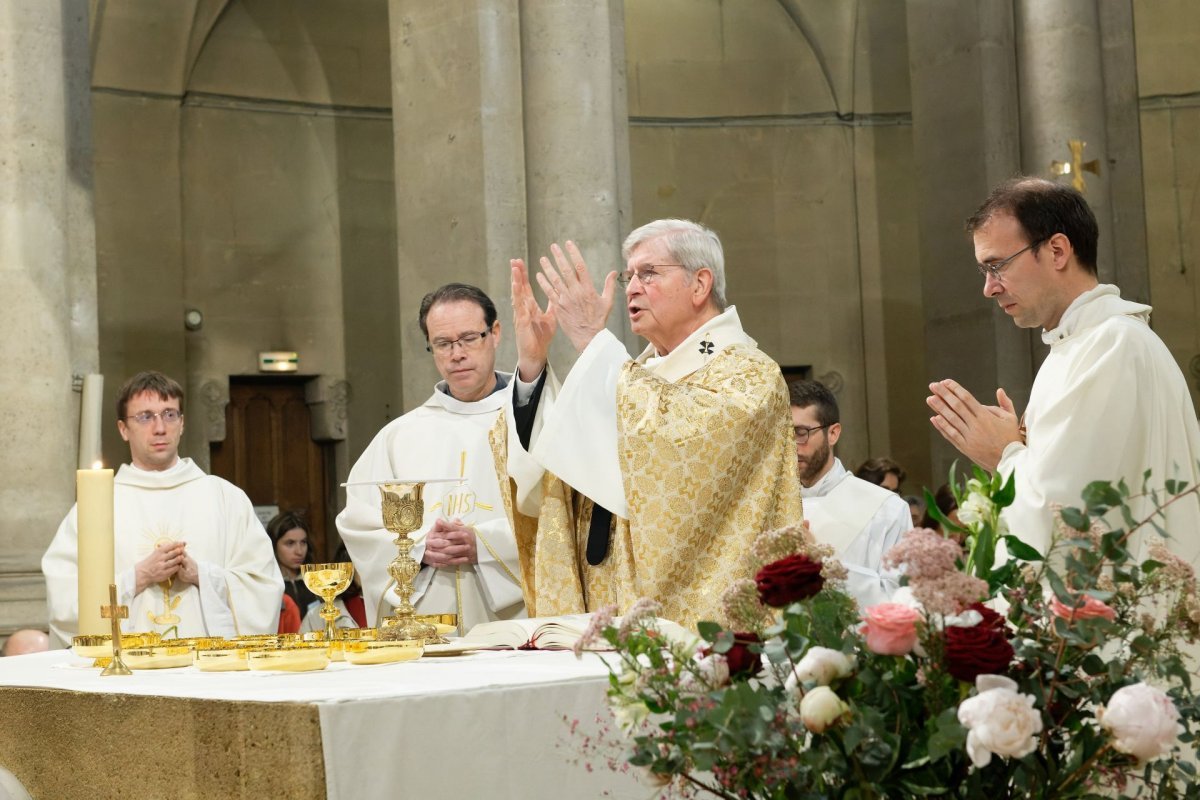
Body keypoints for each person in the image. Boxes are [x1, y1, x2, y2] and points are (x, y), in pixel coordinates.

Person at [503, 218, 803, 628]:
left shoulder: (748, 377)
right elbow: (555, 466)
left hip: (691, 625)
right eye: (629, 276)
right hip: (601, 605)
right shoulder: (633, 375)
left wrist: (592, 338)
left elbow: (674, 460)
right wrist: (533, 365)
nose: (633, 288)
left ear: (700, 285)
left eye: (649, 273)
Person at [927, 177, 1200, 562]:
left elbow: (1067, 517)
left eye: (997, 266)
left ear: (1056, 250)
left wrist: (1002, 454)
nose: (989, 288)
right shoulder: (1078, 346)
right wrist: (1022, 446)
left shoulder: (1110, 345)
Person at [337, 284, 540, 631]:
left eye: (468, 339)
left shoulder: (534, 421)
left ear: (495, 333)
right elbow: (358, 523)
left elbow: (562, 517)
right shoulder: (398, 437)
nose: (456, 354)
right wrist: (417, 548)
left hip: (514, 621)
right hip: (426, 621)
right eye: (443, 343)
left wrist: (486, 544)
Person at [42, 371, 284, 648]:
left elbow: (264, 587)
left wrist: (201, 574)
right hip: (128, 675)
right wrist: (139, 576)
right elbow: (65, 601)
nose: (159, 428)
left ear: (182, 424)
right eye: (145, 417)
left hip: (209, 670)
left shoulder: (225, 498)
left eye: (169, 415)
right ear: (123, 429)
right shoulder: (97, 505)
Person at [789, 380, 909, 607]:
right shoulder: (769, 506)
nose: (791, 445)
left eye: (800, 432)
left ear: (833, 433)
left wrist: (821, 563)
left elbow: (898, 600)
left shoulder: (886, 508)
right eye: (782, 433)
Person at [266, 510, 319, 618]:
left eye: (303, 542)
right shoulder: (267, 584)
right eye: (290, 543)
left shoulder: (316, 581)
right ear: (273, 545)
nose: (299, 551)